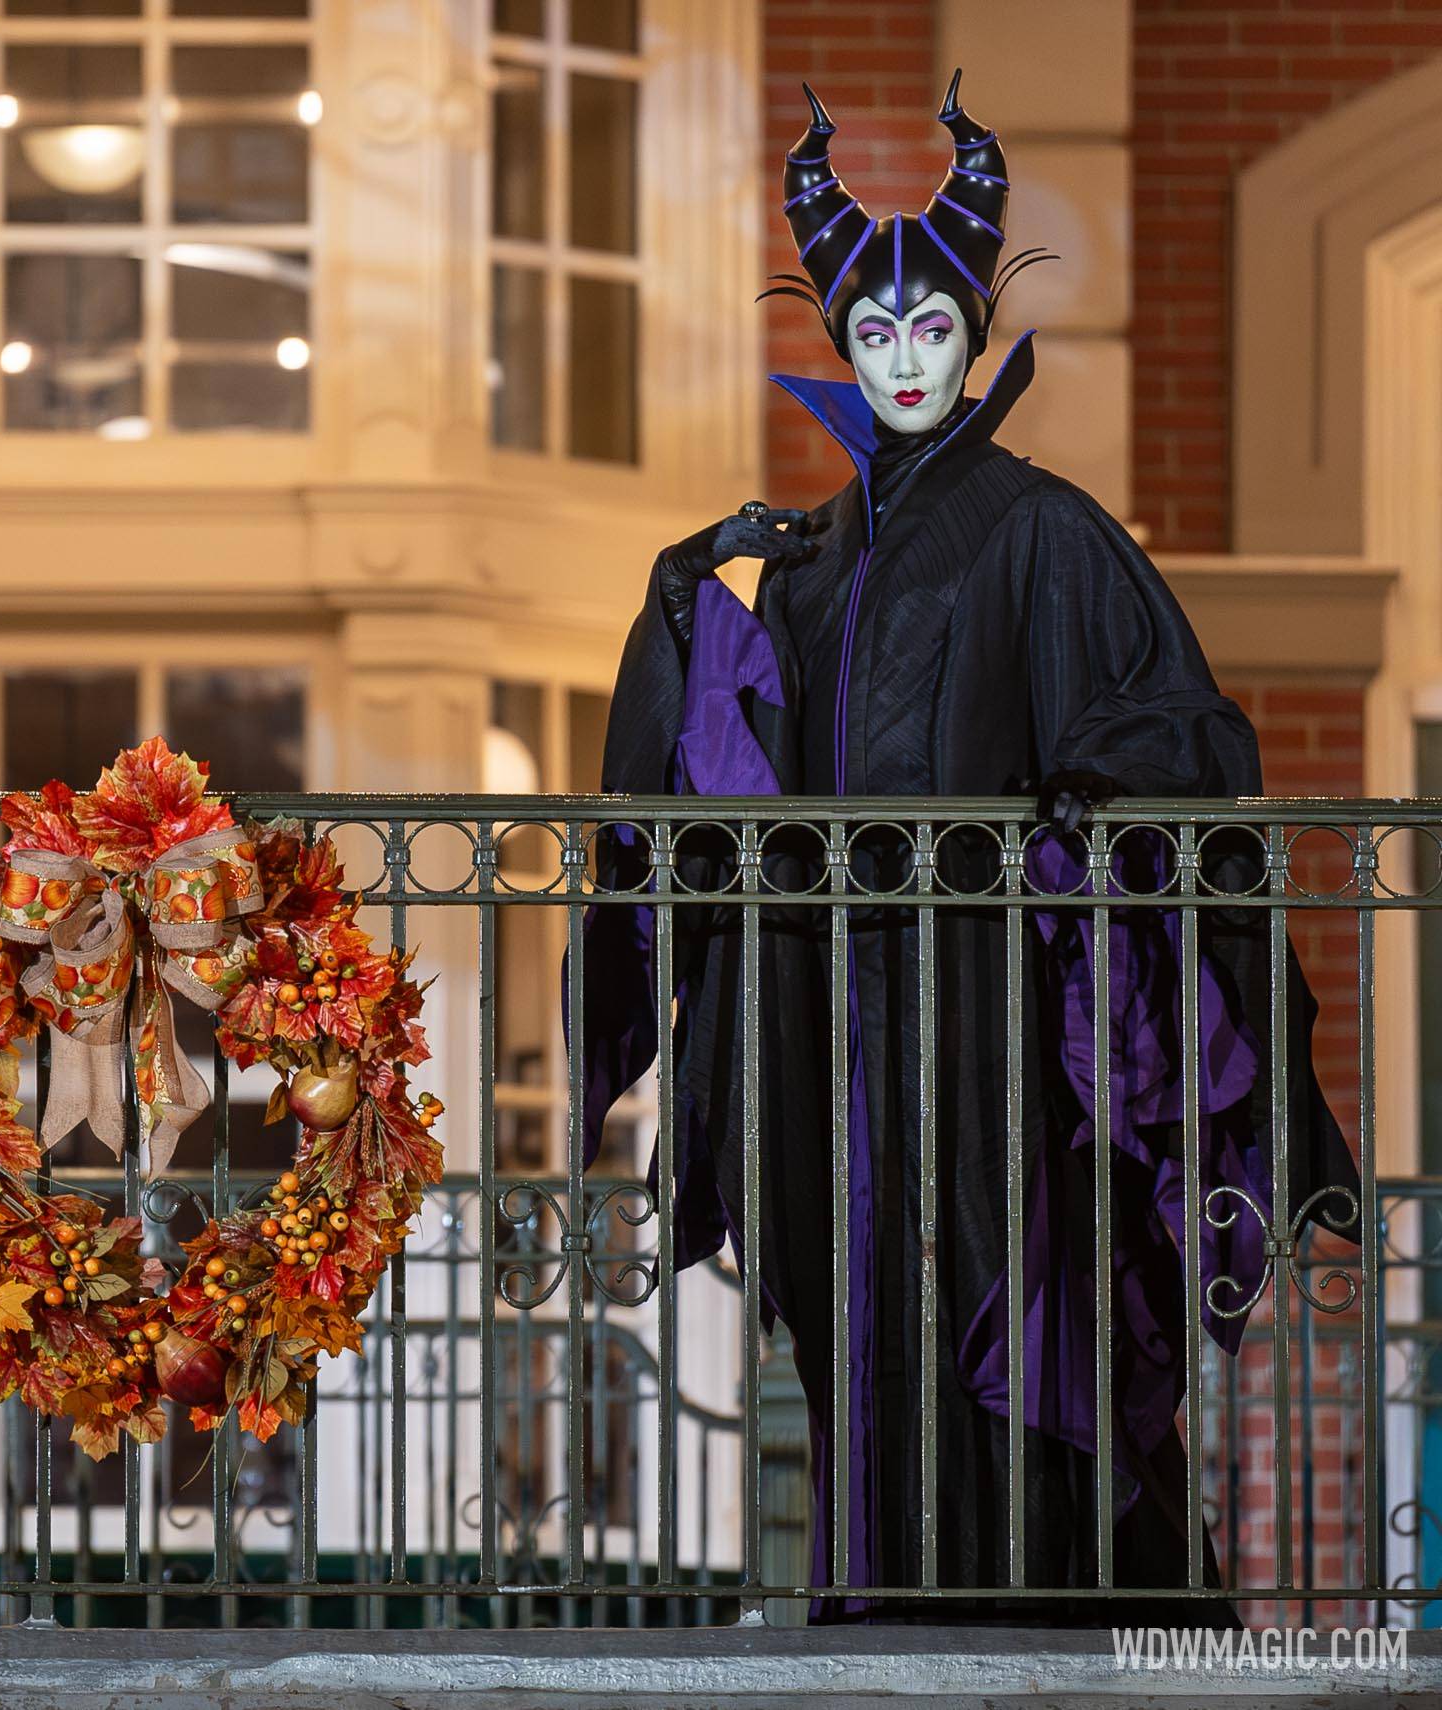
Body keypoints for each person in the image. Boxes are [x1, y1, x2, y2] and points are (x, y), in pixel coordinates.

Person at [574, 76, 1359, 1622]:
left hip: (995, 1014)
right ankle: (893, 1600)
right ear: (843, 350)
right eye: (877, 336)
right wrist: (688, 609)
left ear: (971, 339)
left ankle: (1067, 1612)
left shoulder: (1045, 532)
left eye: (934, 331)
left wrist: (1069, 834)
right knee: (870, 1307)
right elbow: (742, 790)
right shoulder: (802, 570)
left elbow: (1171, 735)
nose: (907, 360)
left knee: (1016, 1300)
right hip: (838, 1025)